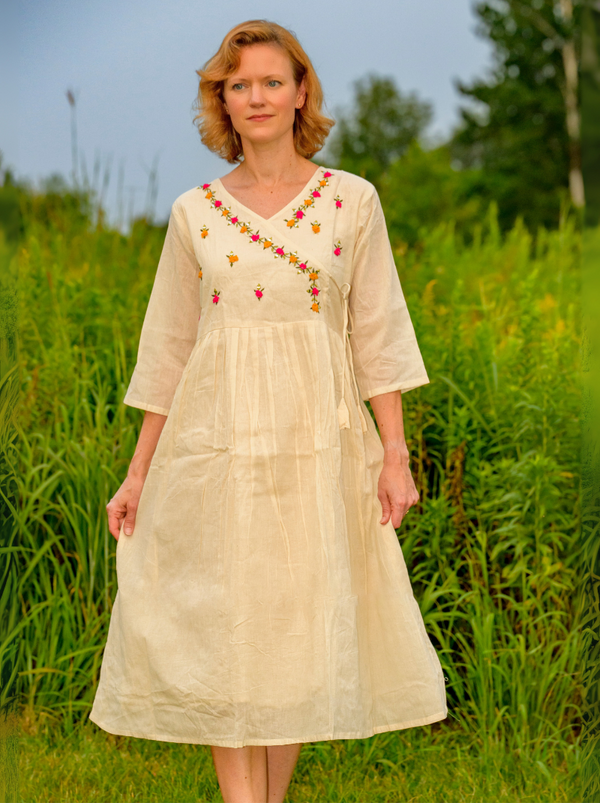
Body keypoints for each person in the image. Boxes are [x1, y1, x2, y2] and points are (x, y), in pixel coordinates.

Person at [89, 19, 448, 803]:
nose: (256, 96)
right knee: (228, 629)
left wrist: (395, 453)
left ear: (300, 93)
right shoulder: (195, 213)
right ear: (223, 98)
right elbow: (169, 349)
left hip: (317, 448)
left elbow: (377, 332)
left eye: (271, 81)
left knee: (289, 637)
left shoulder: (351, 202)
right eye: (239, 83)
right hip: (214, 450)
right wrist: (137, 472)